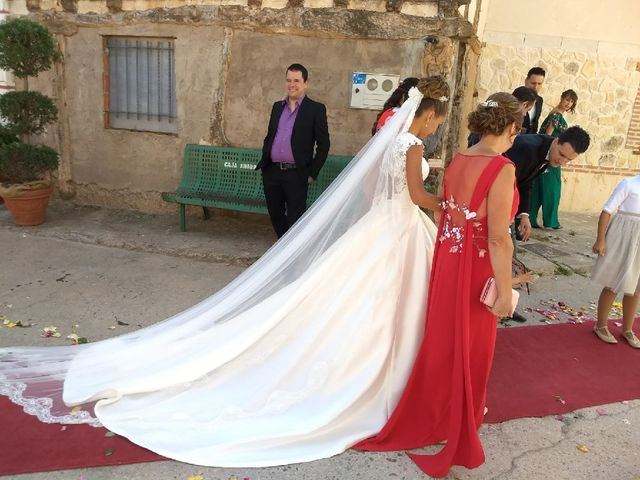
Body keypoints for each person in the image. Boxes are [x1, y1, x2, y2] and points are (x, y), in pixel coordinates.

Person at [0, 78, 451, 469]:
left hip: (380, 227)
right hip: (398, 228)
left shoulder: (390, 142)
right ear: (426, 114)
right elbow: (414, 195)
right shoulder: (411, 145)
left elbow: (377, 188)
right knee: (384, 301)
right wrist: (446, 204)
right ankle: (388, 371)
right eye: (436, 121)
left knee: (356, 300)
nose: (435, 128)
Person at [355, 92, 521, 476]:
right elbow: (498, 237)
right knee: (474, 343)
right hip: (477, 264)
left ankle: (442, 409)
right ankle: (459, 414)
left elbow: (448, 210)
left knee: (444, 338)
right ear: (512, 126)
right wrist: (504, 286)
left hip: (448, 259)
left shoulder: (459, 159)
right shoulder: (502, 167)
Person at [256, 63, 330, 238]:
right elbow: (270, 136)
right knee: (275, 213)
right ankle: (283, 248)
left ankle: (292, 253)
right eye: (289, 80)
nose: (292, 84)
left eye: (297, 80)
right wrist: (266, 161)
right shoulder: (277, 107)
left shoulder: (315, 109)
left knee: (296, 218)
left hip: (296, 174)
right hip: (272, 171)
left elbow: (324, 144)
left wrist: (312, 172)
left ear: (305, 83)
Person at [504, 126, 591, 242]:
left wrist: (524, 215)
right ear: (556, 141)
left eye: (568, 160)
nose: (562, 162)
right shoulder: (526, 148)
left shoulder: (548, 152)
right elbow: (507, 185)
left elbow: (526, 182)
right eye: (561, 154)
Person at [591, 175, 640, 349]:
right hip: (623, 237)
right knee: (614, 282)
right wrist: (601, 240)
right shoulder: (629, 184)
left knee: (635, 288)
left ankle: (627, 329)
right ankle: (601, 325)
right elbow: (607, 211)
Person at [530, 89, 578, 229]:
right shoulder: (556, 115)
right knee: (553, 190)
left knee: (538, 189)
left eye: (571, 101)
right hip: (551, 158)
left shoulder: (556, 113)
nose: (568, 103)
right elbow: (548, 135)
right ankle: (551, 221)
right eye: (567, 99)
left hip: (546, 157)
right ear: (561, 98)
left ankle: (532, 219)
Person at [467, 86, 536, 147]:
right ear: (525, 104)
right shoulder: (507, 122)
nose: (525, 114)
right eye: (528, 110)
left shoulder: (490, 112)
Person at [521, 66, 545, 134]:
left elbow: (535, 123)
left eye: (539, 84)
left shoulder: (540, 100)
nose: (536, 87)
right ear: (526, 81)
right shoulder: (516, 98)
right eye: (533, 83)